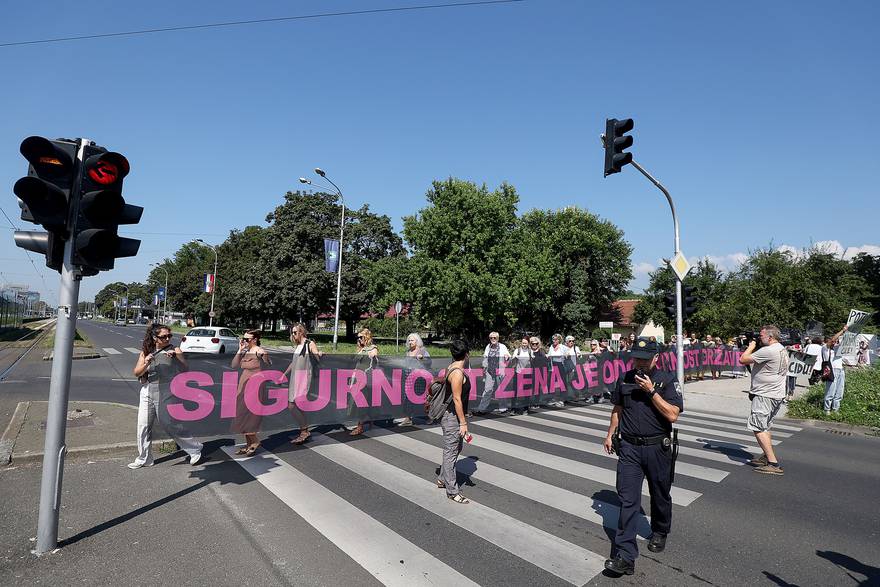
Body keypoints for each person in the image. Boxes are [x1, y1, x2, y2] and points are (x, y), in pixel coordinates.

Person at [602, 338, 682, 576]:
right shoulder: (624, 378)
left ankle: (659, 530)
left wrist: (652, 392)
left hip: (658, 448)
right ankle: (625, 556)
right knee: (627, 500)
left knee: (660, 493)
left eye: (644, 359)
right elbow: (617, 409)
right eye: (636, 357)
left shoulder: (667, 380)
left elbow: (673, 415)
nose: (639, 362)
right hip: (629, 448)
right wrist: (609, 435)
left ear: (656, 358)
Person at [129, 323, 204, 469]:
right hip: (147, 390)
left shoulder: (174, 349)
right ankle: (144, 458)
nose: (167, 338)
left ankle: (194, 448)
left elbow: (185, 369)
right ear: (155, 338)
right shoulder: (146, 351)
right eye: (164, 336)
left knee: (169, 423)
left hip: (167, 390)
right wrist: (146, 363)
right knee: (143, 426)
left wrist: (176, 357)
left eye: (169, 336)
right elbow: (137, 372)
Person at [739, 325, 788, 475]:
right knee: (765, 426)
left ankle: (773, 464)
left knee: (758, 427)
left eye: (761, 336)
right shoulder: (781, 348)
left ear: (770, 337)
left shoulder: (768, 350)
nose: (759, 338)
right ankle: (766, 456)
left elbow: (743, 359)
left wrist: (751, 346)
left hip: (765, 395)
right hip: (776, 394)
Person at [436, 339, 471, 504]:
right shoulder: (457, 372)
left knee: (456, 447)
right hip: (452, 418)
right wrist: (463, 423)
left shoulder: (452, 367)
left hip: (453, 416)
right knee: (450, 452)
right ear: (467, 354)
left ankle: (443, 478)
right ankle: (452, 491)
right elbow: (457, 399)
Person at [231, 329, 271, 456]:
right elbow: (233, 365)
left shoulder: (260, 351)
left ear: (254, 340)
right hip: (243, 385)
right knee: (242, 414)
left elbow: (269, 366)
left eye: (247, 339)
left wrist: (264, 356)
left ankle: (254, 441)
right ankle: (249, 444)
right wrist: (239, 350)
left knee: (250, 415)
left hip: (255, 386)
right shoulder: (246, 351)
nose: (244, 341)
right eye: (243, 339)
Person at [284, 323, 322, 444]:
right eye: (292, 332)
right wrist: (284, 374)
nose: (293, 335)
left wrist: (319, 353)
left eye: (295, 332)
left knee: (295, 405)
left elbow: (316, 356)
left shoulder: (309, 343)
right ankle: (304, 429)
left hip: (303, 378)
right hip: (295, 378)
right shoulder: (299, 346)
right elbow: (293, 362)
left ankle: (304, 431)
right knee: (292, 405)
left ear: (301, 332)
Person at [396, 333, 431, 426]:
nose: (410, 342)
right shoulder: (408, 352)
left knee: (422, 398)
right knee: (407, 398)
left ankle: (429, 416)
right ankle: (408, 418)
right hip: (409, 378)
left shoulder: (422, 351)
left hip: (419, 379)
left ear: (417, 341)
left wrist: (422, 358)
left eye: (412, 340)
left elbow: (429, 362)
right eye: (409, 340)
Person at [348, 328, 379, 435]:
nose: (359, 339)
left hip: (365, 378)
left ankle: (360, 426)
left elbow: (374, 353)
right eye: (358, 337)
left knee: (360, 401)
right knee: (358, 401)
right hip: (356, 378)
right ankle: (367, 419)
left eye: (361, 337)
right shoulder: (360, 348)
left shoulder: (372, 347)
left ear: (367, 336)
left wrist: (372, 354)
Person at [476, 331, 510, 415]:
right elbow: (485, 357)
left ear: (498, 338)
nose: (493, 339)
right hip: (490, 371)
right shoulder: (488, 346)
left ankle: (503, 408)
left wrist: (507, 357)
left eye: (495, 338)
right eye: (491, 338)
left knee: (501, 389)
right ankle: (481, 408)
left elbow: (509, 357)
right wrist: (484, 367)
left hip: (500, 371)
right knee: (487, 390)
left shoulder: (502, 346)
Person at [821, 325, 848, 416]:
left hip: (841, 370)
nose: (834, 342)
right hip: (832, 371)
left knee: (839, 391)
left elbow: (845, 343)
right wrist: (842, 331)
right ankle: (827, 409)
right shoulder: (825, 348)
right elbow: (833, 339)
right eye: (833, 341)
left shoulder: (837, 348)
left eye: (836, 341)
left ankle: (836, 409)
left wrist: (848, 334)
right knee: (831, 390)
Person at [510, 337, 533, 415]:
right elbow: (512, 361)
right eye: (523, 343)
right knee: (515, 391)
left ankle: (525, 409)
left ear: (528, 344)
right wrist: (514, 357)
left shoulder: (530, 351)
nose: (524, 345)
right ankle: (513, 409)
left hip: (527, 373)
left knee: (526, 392)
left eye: (525, 343)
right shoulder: (517, 350)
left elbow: (534, 360)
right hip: (518, 372)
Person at [545, 334, 569, 407]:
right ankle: (552, 398)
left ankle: (562, 400)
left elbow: (568, 353)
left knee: (562, 383)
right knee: (551, 383)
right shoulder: (551, 347)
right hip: (553, 366)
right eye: (553, 339)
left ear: (559, 340)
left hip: (561, 366)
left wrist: (567, 355)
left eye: (556, 339)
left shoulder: (562, 347)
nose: (554, 341)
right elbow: (549, 355)